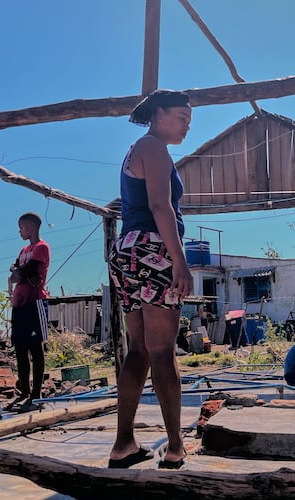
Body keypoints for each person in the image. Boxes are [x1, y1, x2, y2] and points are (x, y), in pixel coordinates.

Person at [108, 90, 194, 469]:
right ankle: (175, 447)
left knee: (139, 349)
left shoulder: (136, 150)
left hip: (127, 250)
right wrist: (180, 261)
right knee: (162, 351)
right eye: (181, 116)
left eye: (189, 119)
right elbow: (160, 205)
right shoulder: (154, 148)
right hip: (152, 249)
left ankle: (124, 444)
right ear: (158, 114)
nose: (186, 124)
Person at [9, 212, 50, 413]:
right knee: (20, 349)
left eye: (22, 227)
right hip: (19, 303)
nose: (20, 231)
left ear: (32, 227)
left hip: (35, 302)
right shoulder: (24, 249)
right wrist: (20, 271)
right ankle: (24, 391)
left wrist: (22, 272)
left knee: (36, 348)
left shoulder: (42, 247)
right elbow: (16, 270)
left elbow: (25, 271)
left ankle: (37, 392)